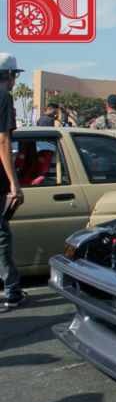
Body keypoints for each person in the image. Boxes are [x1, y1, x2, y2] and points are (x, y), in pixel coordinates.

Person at [0, 53, 25, 311]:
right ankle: (12, 292)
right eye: (16, 75)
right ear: (9, 74)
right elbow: (3, 141)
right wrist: (13, 183)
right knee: (1, 236)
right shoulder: (3, 97)